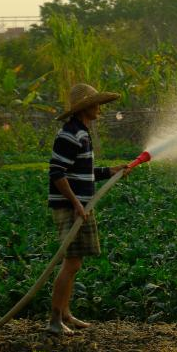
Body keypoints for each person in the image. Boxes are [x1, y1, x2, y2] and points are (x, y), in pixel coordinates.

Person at [47, 83, 124, 335]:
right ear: (86, 107)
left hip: (80, 206)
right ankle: (55, 320)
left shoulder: (82, 132)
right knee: (71, 264)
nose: (100, 108)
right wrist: (76, 203)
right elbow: (57, 173)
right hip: (72, 207)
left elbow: (81, 171)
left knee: (75, 263)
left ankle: (66, 314)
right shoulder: (70, 134)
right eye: (96, 104)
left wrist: (109, 171)